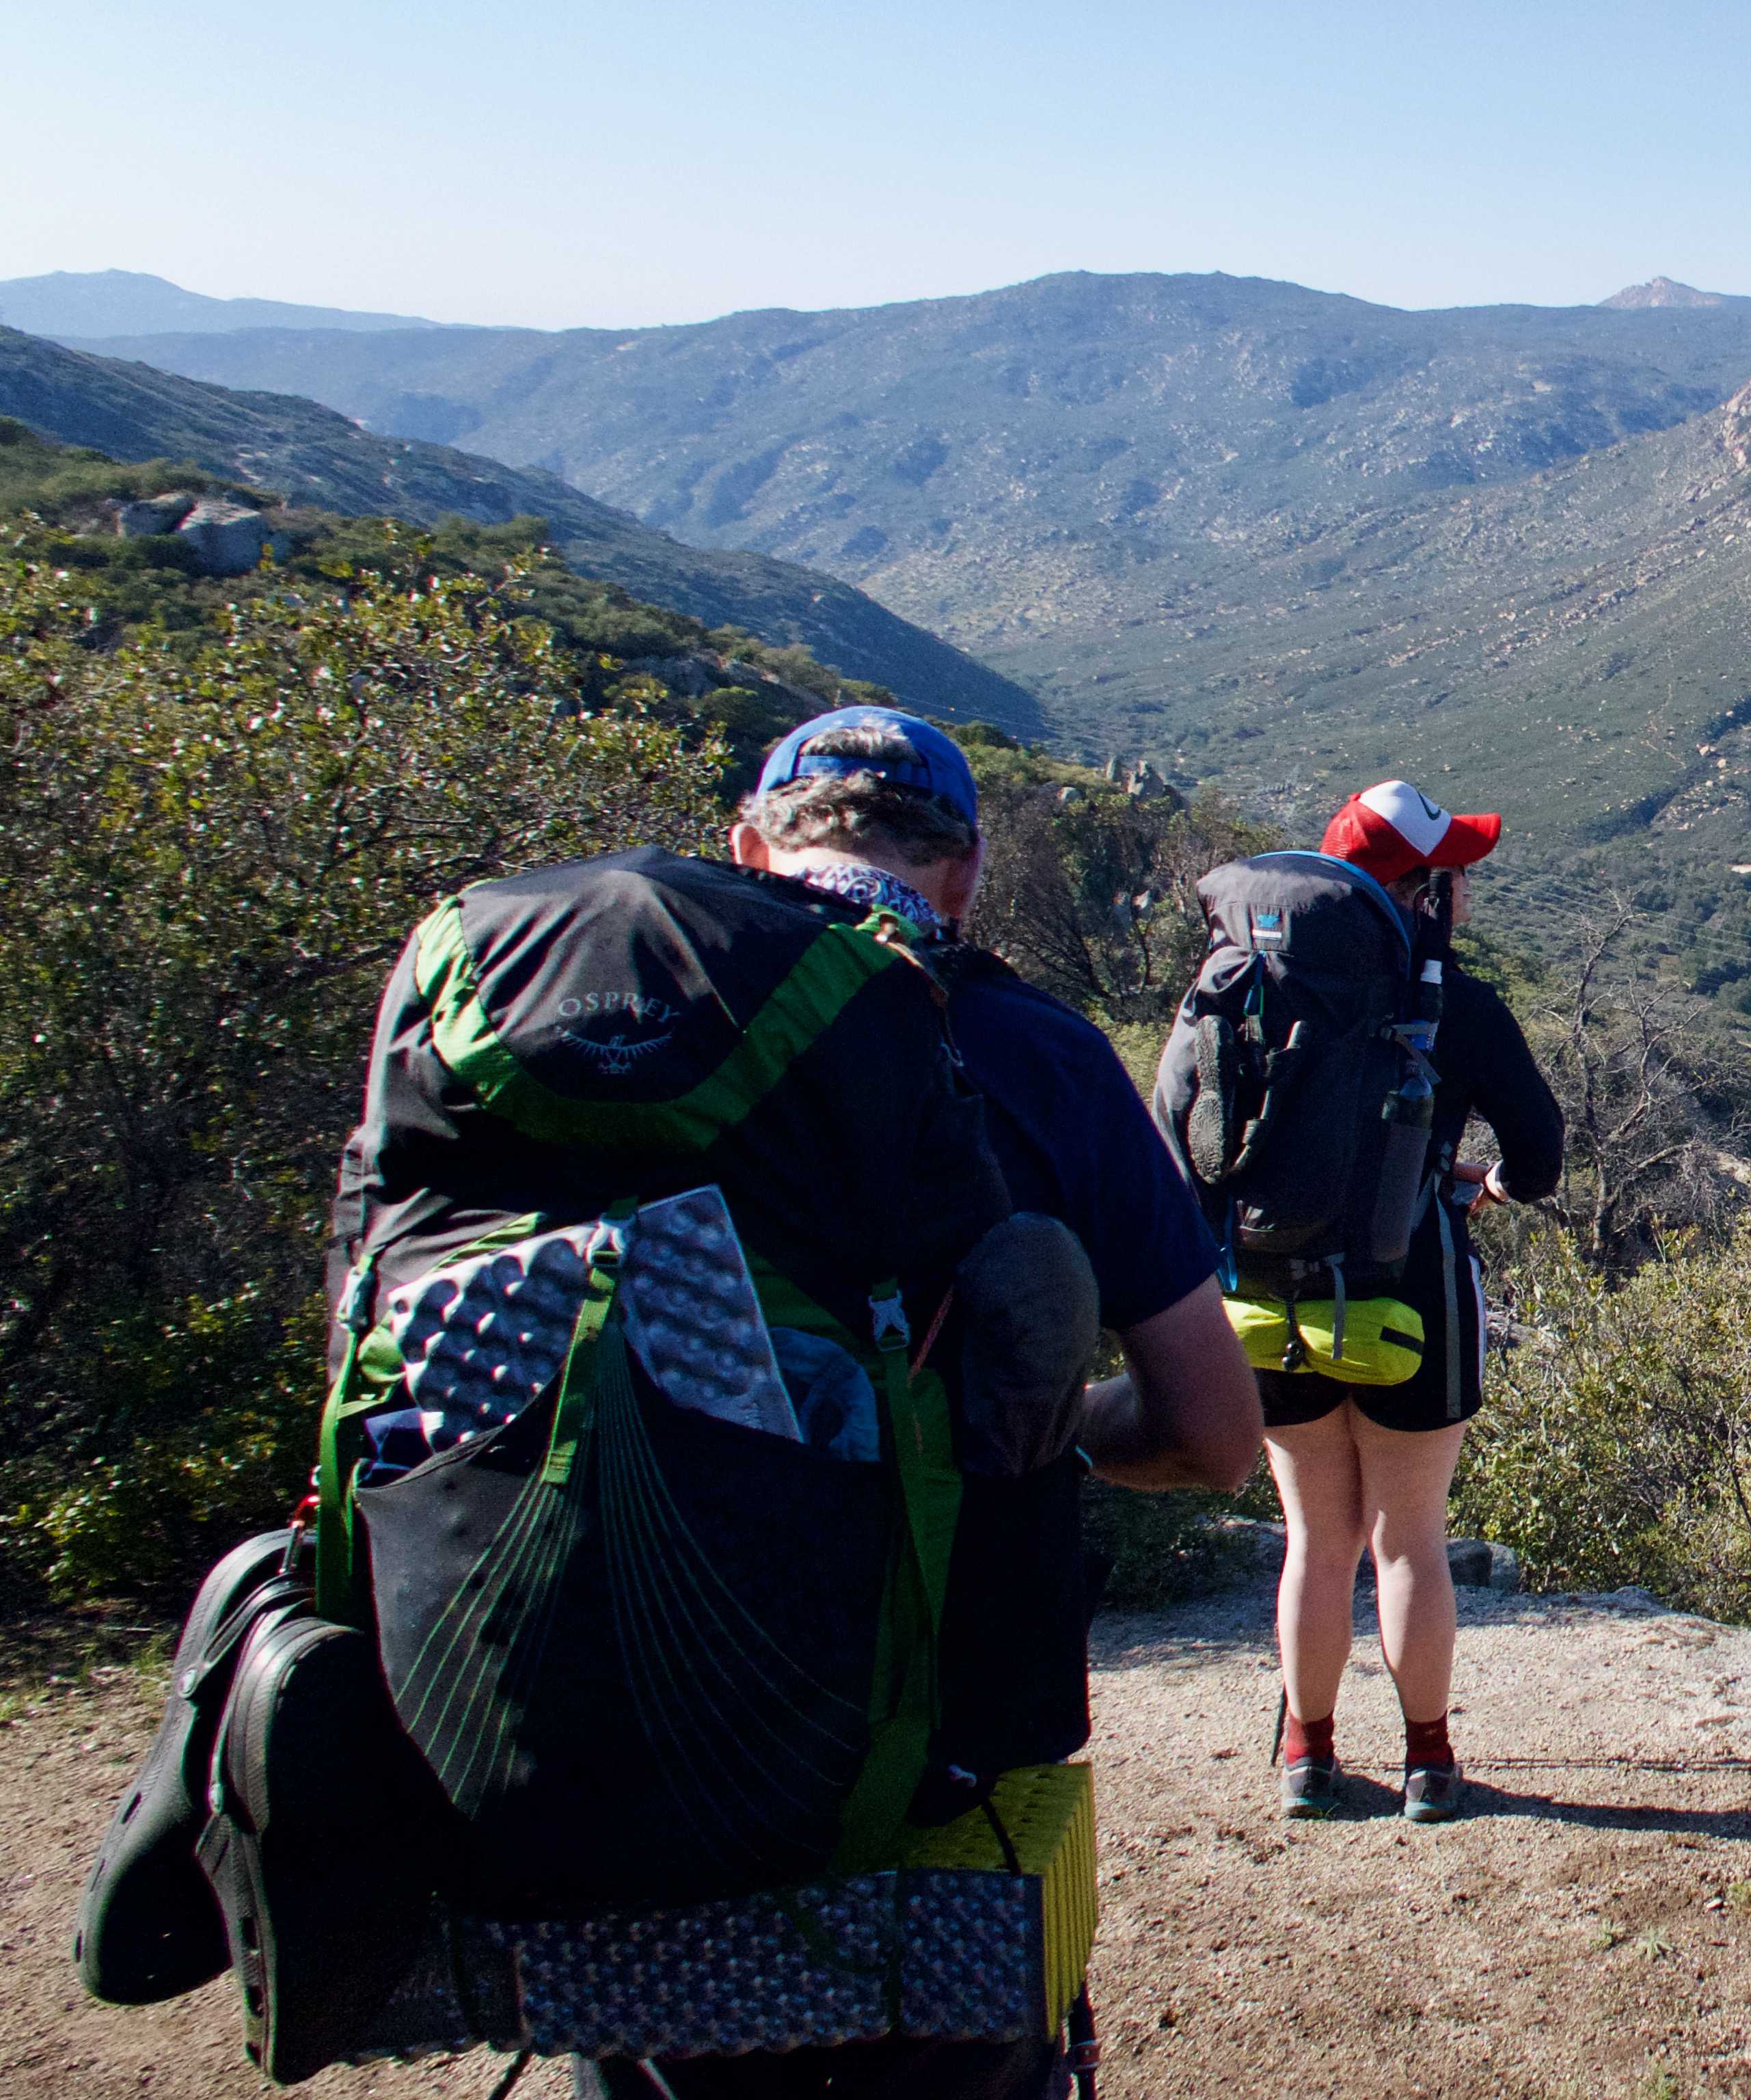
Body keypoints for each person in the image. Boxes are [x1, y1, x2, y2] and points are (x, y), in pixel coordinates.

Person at [561, 706, 1264, 2100]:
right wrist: (1042, 1425)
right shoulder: (1037, 1058)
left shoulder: (591, 1039)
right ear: (965, 874)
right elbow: (1215, 1436)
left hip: (612, 1734)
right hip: (938, 1759)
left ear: (746, 852)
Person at [1252, 782, 1562, 1824]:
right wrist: (1486, 1184)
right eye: (1456, 872)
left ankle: (1309, 1752)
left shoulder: (1258, 981)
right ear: (1423, 891)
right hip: (1413, 1290)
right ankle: (1428, 1761)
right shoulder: (1460, 1009)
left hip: (1275, 1295)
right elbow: (1543, 1157)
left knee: (1314, 1538)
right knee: (1408, 1537)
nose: (1468, 888)